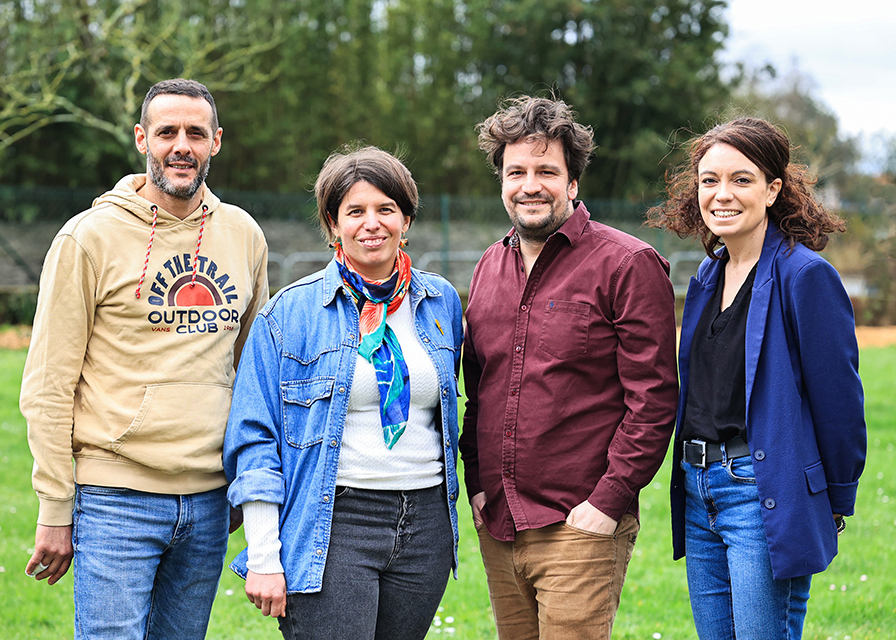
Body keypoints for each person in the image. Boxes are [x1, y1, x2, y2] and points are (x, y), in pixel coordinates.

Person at [19, 78, 269, 639]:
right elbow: (48, 384)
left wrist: (245, 486)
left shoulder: (244, 236)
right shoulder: (87, 238)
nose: (181, 145)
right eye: (167, 132)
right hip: (115, 501)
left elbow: (254, 373)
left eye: (196, 133)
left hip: (209, 505)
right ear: (141, 139)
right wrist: (55, 507)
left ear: (216, 142)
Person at [459, 95, 679, 639]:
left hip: (579, 523)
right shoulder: (489, 265)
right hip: (500, 521)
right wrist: (478, 484)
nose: (529, 184)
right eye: (516, 171)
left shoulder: (627, 263)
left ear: (573, 182)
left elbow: (653, 401)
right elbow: (478, 388)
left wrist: (606, 503)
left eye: (546, 171)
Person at [223, 145, 464, 640]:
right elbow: (253, 439)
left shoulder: (441, 302)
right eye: (355, 211)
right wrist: (266, 552)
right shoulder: (287, 317)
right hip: (334, 523)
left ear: (407, 219)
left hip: (425, 527)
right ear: (333, 224)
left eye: (386, 209)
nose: (371, 224)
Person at [647, 117, 866, 639]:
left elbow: (840, 402)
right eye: (709, 180)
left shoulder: (805, 276)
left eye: (741, 180)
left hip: (763, 491)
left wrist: (832, 500)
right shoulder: (706, 276)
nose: (722, 194)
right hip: (699, 491)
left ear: (772, 190)